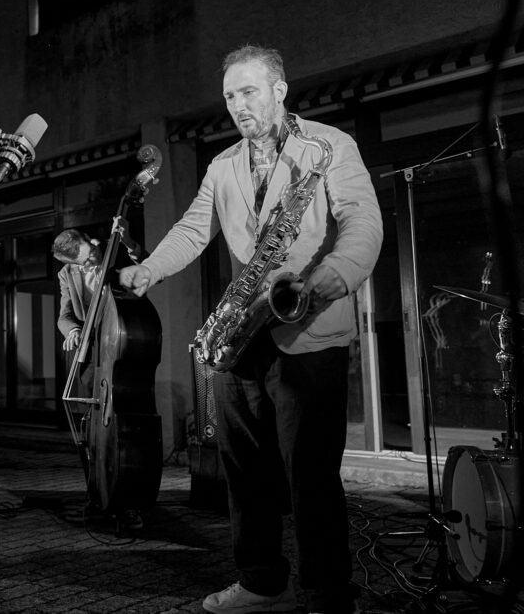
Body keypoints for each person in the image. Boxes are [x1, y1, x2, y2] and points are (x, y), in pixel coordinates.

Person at [119, 45, 382, 614]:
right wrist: (150, 268)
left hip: (308, 326)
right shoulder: (222, 164)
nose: (238, 105)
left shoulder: (329, 145)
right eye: (229, 95)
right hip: (243, 333)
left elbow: (362, 220)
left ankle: (328, 595)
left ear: (279, 90)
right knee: (244, 472)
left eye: (248, 91)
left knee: (310, 475)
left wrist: (337, 273)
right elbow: (194, 229)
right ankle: (263, 583)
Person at [53, 226, 145, 531]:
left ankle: (129, 499)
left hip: (124, 342)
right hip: (94, 353)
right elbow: (65, 315)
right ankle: (99, 493)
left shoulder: (114, 250)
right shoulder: (67, 273)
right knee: (94, 431)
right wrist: (73, 330)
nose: (88, 262)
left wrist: (129, 241)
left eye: (88, 255)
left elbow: (144, 262)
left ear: (89, 241)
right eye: (81, 263)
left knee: (127, 426)